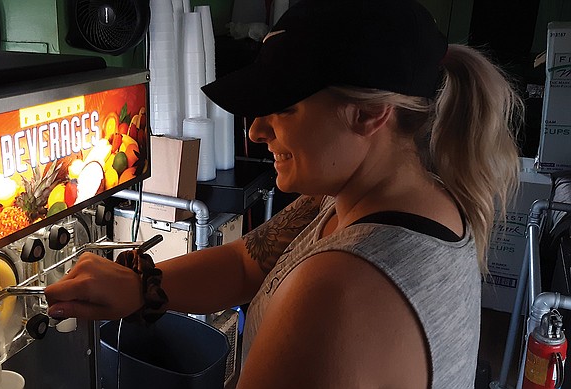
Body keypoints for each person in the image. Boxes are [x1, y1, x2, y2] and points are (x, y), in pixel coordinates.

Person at [45, 0, 523, 387]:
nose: (254, 131)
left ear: (369, 114)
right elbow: (244, 263)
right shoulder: (382, 198)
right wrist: (138, 286)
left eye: (283, 109)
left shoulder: (340, 291)